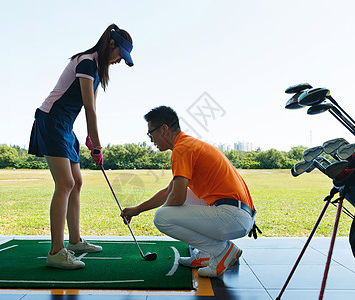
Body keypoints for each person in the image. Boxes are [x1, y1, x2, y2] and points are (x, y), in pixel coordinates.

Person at [28, 24, 134, 269]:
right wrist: (97, 146)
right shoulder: (86, 62)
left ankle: (74, 241)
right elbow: (89, 108)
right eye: (120, 54)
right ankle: (56, 251)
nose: (119, 60)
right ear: (111, 43)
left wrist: (91, 138)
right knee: (65, 183)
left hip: (65, 125)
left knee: (77, 182)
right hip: (52, 120)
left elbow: (92, 107)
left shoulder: (97, 70)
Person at [121, 106, 260, 277]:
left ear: (164, 129)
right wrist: (137, 210)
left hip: (233, 216)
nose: (151, 140)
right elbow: (169, 192)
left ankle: (222, 251)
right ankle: (205, 254)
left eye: (151, 134)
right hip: (239, 214)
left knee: (162, 217)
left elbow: (177, 198)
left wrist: (167, 210)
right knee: (173, 205)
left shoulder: (182, 149)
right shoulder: (187, 145)